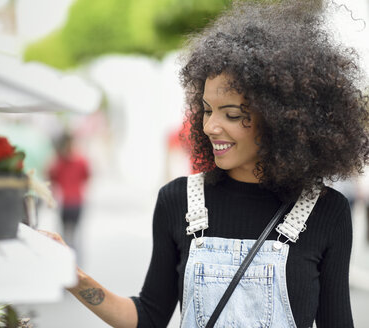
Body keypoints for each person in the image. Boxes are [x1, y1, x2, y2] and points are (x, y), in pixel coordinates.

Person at [41, 0, 369, 327]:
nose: (210, 126)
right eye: (208, 109)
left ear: (280, 120)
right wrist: (74, 277)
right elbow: (148, 317)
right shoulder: (178, 201)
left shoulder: (327, 211)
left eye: (231, 114)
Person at [47, 133, 90, 250]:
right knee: (73, 235)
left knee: (65, 235)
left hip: (66, 202)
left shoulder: (59, 161)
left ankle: (67, 254)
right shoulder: (81, 160)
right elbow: (87, 176)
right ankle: (73, 257)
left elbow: (51, 176)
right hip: (76, 201)